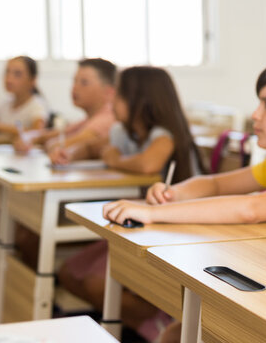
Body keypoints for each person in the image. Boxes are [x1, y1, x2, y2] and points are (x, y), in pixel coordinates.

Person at [102, 56, 266, 226]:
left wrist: (152, 214)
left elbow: (254, 209)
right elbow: (215, 184)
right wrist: (173, 194)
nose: (255, 114)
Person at [58, 66, 204, 342]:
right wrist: (72, 152)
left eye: (120, 95)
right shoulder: (124, 132)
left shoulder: (162, 133)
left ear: (142, 100)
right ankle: (143, 320)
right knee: (69, 272)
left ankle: (157, 322)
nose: (112, 101)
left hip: (175, 232)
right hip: (138, 225)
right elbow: (92, 147)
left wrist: (114, 159)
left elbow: (149, 162)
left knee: (95, 283)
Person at [13, 58, 117, 164]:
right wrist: (30, 138)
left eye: (84, 82)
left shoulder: (107, 118)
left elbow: (60, 145)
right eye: (74, 81)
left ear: (109, 92)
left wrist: (45, 143)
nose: (74, 88)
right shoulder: (88, 119)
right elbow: (52, 134)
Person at [0, 56, 48, 134]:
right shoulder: (5, 103)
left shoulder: (37, 106)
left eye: (17, 74)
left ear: (32, 80)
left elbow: (38, 133)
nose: (9, 79)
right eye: (7, 72)